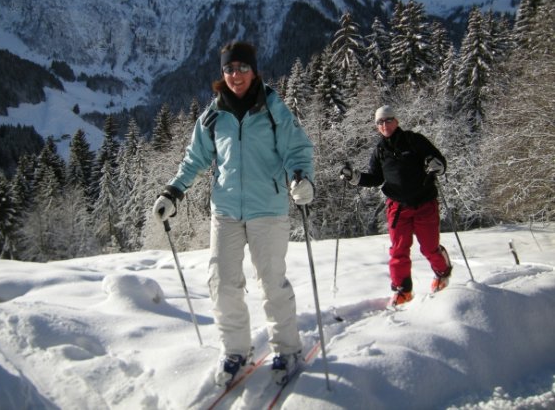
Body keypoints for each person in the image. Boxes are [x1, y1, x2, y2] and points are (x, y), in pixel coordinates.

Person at [152, 41, 315, 386]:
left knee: (272, 283)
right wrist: (173, 191)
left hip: (267, 210)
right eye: (229, 69)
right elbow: (195, 159)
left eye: (242, 68)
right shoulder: (213, 115)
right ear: (221, 73)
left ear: (254, 70)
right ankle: (236, 352)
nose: (235, 75)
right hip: (225, 211)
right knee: (222, 283)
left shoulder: (273, 108)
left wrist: (301, 177)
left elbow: (297, 149)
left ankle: (288, 351)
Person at [340, 105, 452, 307]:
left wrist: (437, 165)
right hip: (398, 207)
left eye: (388, 120)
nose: (384, 125)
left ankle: (443, 273)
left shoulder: (414, 140)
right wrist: (355, 178)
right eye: (380, 122)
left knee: (429, 248)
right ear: (377, 127)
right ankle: (403, 291)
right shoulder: (380, 151)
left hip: (424, 201)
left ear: (396, 121)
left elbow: (439, 161)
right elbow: (375, 178)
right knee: (398, 250)